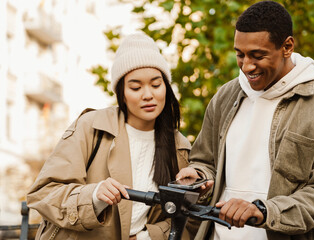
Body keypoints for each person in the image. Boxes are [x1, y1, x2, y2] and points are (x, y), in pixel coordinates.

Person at [176, 1, 314, 239]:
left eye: (257, 56)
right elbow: (205, 160)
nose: (247, 66)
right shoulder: (225, 96)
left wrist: (264, 211)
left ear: (287, 47)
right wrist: (199, 176)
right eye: (240, 55)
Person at [27, 33, 198, 240]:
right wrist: (93, 196)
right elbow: (43, 193)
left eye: (156, 84)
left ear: (166, 87)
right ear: (121, 93)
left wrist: (148, 237)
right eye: (135, 87)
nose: (147, 95)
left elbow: (186, 217)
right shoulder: (92, 127)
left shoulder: (179, 146)